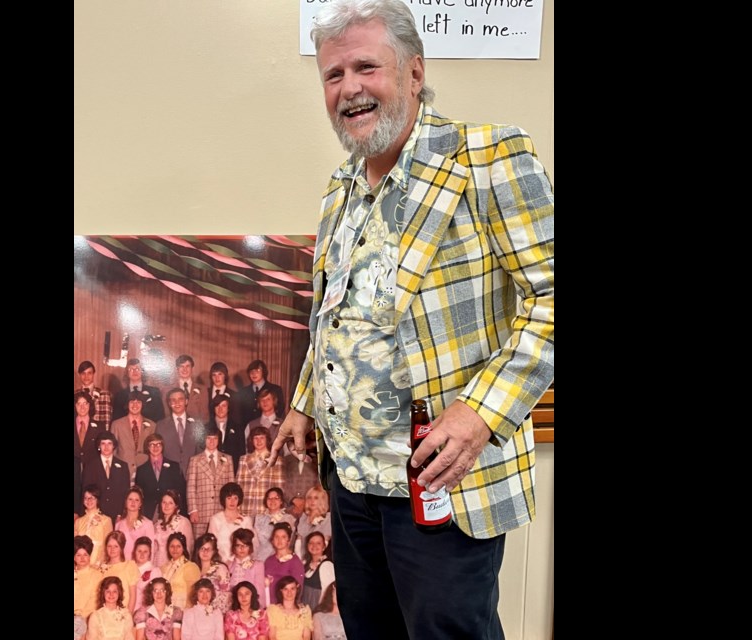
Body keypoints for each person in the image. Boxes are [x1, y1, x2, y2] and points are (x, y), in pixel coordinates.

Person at [269, 1, 555, 638]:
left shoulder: (486, 158)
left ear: (416, 70)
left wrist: (481, 412)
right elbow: (338, 317)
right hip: (352, 483)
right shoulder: (341, 187)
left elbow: (551, 298)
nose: (349, 88)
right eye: (333, 75)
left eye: (366, 66)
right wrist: (304, 404)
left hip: (441, 487)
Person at [187, 426, 235, 539]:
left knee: (221, 541)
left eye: (215, 438)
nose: (212, 441)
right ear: (204, 440)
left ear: (219, 440)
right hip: (201, 512)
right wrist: (193, 510)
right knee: (200, 544)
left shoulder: (227, 459)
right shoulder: (195, 460)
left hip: (221, 510)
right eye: (209, 438)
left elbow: (231, 487)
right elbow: (191, 487)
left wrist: (231, 509)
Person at [82, 431, 132, 525]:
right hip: (96, 515)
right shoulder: (90, 466)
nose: (106, 447)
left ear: (114, 446)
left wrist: (121, 514)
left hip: (117, 516)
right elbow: (86, 491)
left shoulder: (123, 466)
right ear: (99, 446)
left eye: (109, 443)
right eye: (103, 443)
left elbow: (126, 492)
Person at [135, 433, 188, 520]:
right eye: (152, 444)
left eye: (158, 444)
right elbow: (140, 496)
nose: (155, 447)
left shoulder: (174, 467)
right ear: (147, 447)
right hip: (149, 514)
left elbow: (181, 491)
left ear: (162, 446)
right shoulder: (141, 470)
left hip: (171, 512)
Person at [157, 388, 205, 480]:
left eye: (180, 399)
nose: (177, 403)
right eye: (173, 400)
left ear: (186, 401)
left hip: (193, 475)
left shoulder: (197, 424)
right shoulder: (161, 426)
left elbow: (201, 451)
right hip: (169, 476)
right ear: (169, 403)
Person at [235, 427, 284, 517]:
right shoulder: (244, 459)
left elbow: (279, 488)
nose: (259, 441)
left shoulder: (276, 460)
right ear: (251, 441)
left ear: (267, 440)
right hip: (246, 506)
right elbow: (238, 485)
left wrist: (277, 510)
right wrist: (237, 506)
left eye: (262, 438)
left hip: (266, 508)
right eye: (255, 438)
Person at [111, 391, 157, 482]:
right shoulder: (117, 424)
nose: (135, 405)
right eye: (132, 402)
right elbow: (113, 451)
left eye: (138, 402)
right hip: (122, 473)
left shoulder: (152, 425)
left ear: (143, 404)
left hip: (144, 472)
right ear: (127, 404)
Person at [262, 523, 304, 608]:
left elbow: (297, 589)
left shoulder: (295, 561)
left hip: (285, 607)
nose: (279, 540)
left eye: (283, 537)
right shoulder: (269, 560)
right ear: (272, 540)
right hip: (269, 604)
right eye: (276, 537)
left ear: (288, 541)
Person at [113, 358, 165, 424]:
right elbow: (117, 419)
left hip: (150, 431)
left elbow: (160, 417)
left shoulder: (154, 392)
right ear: (127, 373)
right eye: (131, 369)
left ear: (142, 371)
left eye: (137, 369)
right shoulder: (119, 395)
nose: (135, 371)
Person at [100, 530, 142, 613]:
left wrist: (128, 616)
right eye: (109, 546)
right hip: (105, 612)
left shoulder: (129, 565)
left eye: (116, 546)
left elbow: (133, 595)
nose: (112, 549)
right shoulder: (102, 568)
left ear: (121, 547)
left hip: (122, 612)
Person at [152, 490, 195, 568]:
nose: (166, 506)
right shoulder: (157, 524)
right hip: (157, 563)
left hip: (174, 564)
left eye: (170, 503)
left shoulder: (183, 522)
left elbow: (187, 548)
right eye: (164, 502)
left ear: (176, 506)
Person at [115, 486, 159, 561]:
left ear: (140, 504)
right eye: (130, 499)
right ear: (126, 502)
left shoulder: (147, 524)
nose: (133, 502)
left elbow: (151, 551)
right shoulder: (119, 524)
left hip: (140, 567)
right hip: (123, 566)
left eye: (136, 500)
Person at [253, 488, 296, 564]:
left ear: (281, 501)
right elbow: (255, 543)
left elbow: (289, 543)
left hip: (281, 559)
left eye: (276, 498)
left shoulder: (289, 519)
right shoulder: (259, 519)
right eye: (269, 498)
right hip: (261, 559)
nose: (272, 501)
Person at [75, 484, 115, 565]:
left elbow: (108, 545)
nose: (88, 501)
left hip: (98, 564)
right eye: (86, 498)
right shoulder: (78, 522)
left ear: (97, 499)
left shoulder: (106, 520)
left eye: (92, 498)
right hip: (80, 565)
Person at [236, 360, 284, 426]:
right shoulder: (243, 392)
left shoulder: (275, 389)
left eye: (257, 371)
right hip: (248, 429)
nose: (254, 374)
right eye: (251, 372)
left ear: (263, 372)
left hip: (270, 427)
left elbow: (280, 410)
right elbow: (239, 414)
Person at [160, 531, 201, 609]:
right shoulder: (164, 568)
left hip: (182, 609)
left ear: (183, 548)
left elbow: (192, 595)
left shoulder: (190, 567)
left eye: (178, 546)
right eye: (172, 546)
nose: (175, 549)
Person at [193, 533, 232, 614]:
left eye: (208, 549)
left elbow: (226, 596)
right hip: (198, 612)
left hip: (217, 612)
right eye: (202, 548)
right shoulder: (194, 569)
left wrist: (215, 612)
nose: (205, 552)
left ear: (214, 551)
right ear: (198, 551)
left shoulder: (220, 568)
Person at [227, 529, 266, 607]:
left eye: (245, 545)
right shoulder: (228, 565)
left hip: (250, 606)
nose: (242, 548)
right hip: (231, 605)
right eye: (238, 545)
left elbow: (260, 591)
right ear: (234, 547)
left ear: (250, 547)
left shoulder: (257, 565)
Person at [209, 394, 246, 477]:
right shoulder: (206, 428)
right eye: (217, 405)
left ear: (228, 408)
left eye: (224, 405)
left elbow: (241, 452)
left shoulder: (238, 428)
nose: (220, 409)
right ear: (213, 408)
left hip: (232, 471)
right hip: (211, 472)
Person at [88, 576, 135, 640]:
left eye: (114, 591)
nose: (111, 594)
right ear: (103, 593)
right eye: (108, 591)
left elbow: (129, 637)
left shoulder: (126, 615)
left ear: (119, 593)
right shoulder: (95, 616)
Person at [266, 576, 312, 640]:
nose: (289, 592)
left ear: (297, 589)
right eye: (285, 589)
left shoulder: (305, 610)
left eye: (292, 588)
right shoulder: (273, 610)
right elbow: (272, 636)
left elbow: (306, 636)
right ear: (280, 591)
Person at [291, 487, 331, 558]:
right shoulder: (303, 518)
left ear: (322, 500)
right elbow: (298, 543)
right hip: (302, 559)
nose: (312, 501)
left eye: (316, 498)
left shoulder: (328, 518)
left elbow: (324, 544)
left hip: (320, 560)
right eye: (309, 498)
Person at [298, 532, 334, 611]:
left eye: (318, 543)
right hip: (304, 607)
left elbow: (328, 593)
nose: (314, 546)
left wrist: (319, 611)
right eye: (311, 543)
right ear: (307, 546)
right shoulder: (306, 563)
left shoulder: (326, 565)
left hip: (317, 607)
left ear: (324, 547)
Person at [77, 360, 113, 431]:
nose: (86, 376)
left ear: (93, 374)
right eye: (83, 373)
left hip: (98, 435)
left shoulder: (104, 394)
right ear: (79, 375)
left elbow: (107, 420)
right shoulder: (75, 394)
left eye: (89, 373)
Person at [75, 535, 104, 619]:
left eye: (85, 554)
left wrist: (80, 617)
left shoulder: (96, 575)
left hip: (86, 619)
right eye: (78, 555)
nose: (82, 558)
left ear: (90, 556)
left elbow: (95, 601)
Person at [174, 355, 208, 422]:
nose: (185, 369)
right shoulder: (168, 389)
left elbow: (205, 416)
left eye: (187, 366)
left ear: (192, 368)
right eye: (181, 366)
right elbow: (167, 414)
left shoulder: (202, 389)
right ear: (177, 369)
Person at [132, 536, 162, 614]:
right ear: (134, 552)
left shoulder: (154, 571)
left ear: (150, 554)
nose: (142, 554)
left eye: (145, 552)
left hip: (145, 612)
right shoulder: (129, 569)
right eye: (139, 551)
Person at [75, 391, 103, 472]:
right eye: (78, 404)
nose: (82, 407)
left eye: (85, 403)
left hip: (92, 471)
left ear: (90, 405)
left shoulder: (100, 427)